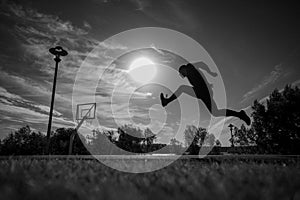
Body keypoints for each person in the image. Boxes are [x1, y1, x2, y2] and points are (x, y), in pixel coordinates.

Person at [160, 62, 251, 125]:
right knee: (215, 112)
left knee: (182, 88)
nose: (182, 75)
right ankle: (240, 114)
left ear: (183, 69)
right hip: (201, 92)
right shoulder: (189, 75)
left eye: (181, 72)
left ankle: (166, 101)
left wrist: (210, 72)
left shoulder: (189, 67)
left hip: (203, 91)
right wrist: (207, 83)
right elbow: (201, 77)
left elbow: (201, 64)